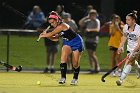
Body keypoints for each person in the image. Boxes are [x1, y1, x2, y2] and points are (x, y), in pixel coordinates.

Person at [39, 11, 84, 85]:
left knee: (75, 64)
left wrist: (43, 35)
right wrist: (47, 36)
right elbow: (55, 38)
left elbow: (51, 33)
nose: (52, 24)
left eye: (53, 22)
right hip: (67, 42)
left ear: (57, 20)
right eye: (50, 23)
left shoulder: (62, 25)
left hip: (77, 42)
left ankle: (75, 78)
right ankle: (63, 78)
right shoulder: (57, 27)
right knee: (63, 58)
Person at [116, 10, 140, 86]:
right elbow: (124, 37)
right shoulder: (126, 27)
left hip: (137, 48)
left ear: (134, 20)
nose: (126, 21)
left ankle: (121, 79)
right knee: (132, 63)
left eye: (128, 20)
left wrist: (133, 52)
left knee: (128, 62)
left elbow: (139, 44)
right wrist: (120, 46)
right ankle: (139, 69)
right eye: (126, 19)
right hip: (129, 48)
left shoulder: (138, 29)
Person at [79, 9, 100, 73]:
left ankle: (97, 67)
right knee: (89, 54)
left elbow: (97, 29)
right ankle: (92, 68)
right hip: (88, 39)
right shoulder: (88, 21)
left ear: (95, 14)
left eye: (93, 14)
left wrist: (89, 30)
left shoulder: (97, 21)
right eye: (91, 14)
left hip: (94, 40)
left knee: (92, 54)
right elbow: (80, 23)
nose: (92, 15)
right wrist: (86, 17)